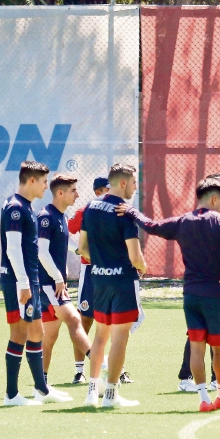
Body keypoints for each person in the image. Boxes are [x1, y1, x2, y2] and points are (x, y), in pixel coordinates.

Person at [119, 176, 220, 412]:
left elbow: (151, 226)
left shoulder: (182, 222)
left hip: (191, 295)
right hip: (217, 294)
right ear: (215, 199)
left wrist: (132, 212)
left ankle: (204, 399)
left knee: (196, 346)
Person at [0, 161, 71, 406]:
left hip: (30, 280)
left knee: (37, 332)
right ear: (31, 180)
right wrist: (22, 282)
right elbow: (12, 249)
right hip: (18, 281)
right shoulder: (15, 207)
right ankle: (11, 395)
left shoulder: (27, 207)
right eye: (43, 182)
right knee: (19, 334)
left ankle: (42, 389)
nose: (45, 187)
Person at [78, 163, 146, 408]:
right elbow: (135, 257)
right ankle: (110, 395)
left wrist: (101, 263)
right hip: (122, 281)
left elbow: (82, 248)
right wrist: (144, 267)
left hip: (98, 279)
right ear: (123, 183)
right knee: (119, 337)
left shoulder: (90, 207)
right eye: (134, 182)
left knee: (100, 336)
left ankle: (91, 393)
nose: (136, 187)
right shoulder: (124, 212)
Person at [175, 173, 220, 392]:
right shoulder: (207, 218)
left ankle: (216, 380)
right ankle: (188, 378)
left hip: (215, 287)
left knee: (214, 334)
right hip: (212, 288)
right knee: (198, 335)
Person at [38, 174, 92, 385]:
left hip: (54, 284)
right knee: (75, 319)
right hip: (49, 285)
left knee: (49, 338)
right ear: (60, 193)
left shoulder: (61, 216)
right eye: (73, 191)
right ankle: (102, 365)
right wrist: (58, 277)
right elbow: (41, 252)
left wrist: (80, 250)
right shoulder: (46, 216)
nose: (77, 195)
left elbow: (64, 240)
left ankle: (41, 384)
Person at [67, 176, 116, 384]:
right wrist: (77, 250)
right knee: (85, 319)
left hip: (113, 271)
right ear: (98, 192)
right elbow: (64, 232)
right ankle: (79, 371)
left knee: (114, 321)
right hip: (90, 271)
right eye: (107, 189)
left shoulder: (119, 211)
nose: (111, 193)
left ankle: (115, 368)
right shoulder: (85, 211)